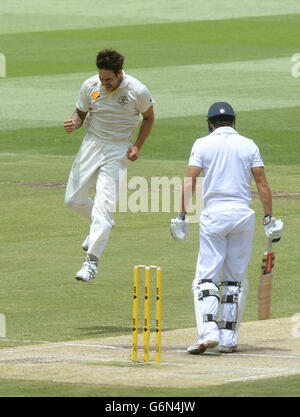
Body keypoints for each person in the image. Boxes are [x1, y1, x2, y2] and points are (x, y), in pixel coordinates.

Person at [170, 102, 283, 354]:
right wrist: (269, 218)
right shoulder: (248, 144)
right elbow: (262, 183)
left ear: (210, 123)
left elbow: (190, 180)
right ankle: (229, 339)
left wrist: (181, 215)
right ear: (234, 121)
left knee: (206, 276)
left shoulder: (202, 143)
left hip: (214, 216)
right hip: (243, 216)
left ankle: (209, 332)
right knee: (234, 278)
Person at [64, 49, 155, 282]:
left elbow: (148, 118)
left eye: (109, 80)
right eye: (102, 78)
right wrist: (75, 122)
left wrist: (137, 146)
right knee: (73, 200)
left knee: (105, 209)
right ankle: (98, 224)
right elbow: (81, 112)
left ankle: (91, 263)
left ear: (120, 74)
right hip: (91, 144)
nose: (105, 84)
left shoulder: (137, 91)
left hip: (118, 149)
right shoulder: (91, 86)